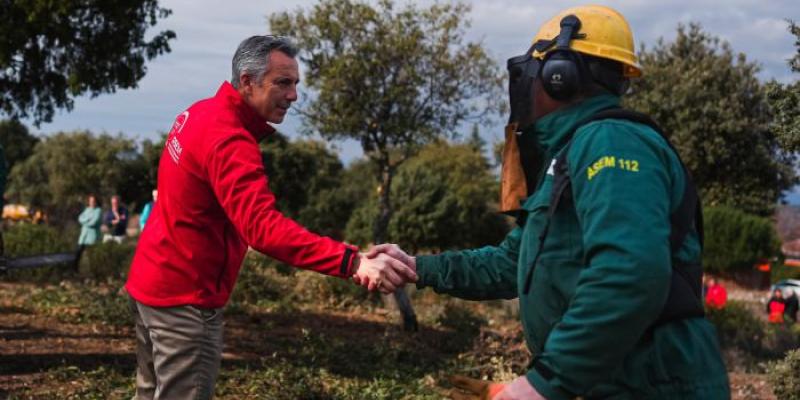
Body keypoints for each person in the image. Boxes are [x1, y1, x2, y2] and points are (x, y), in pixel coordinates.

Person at [368, 6, 729, 399]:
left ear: (560, 77)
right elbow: (509, 264)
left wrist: (542, 385)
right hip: (612, 381)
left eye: (532, 73)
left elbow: (630, 270)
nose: (526, 87)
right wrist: (419, 267)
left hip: (649, 383)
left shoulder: (611, 141)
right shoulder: (571, 156)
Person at [124, 35, 415, 400]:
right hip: (185, 301)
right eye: (282, 83)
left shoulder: (198, 113)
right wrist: (351, 261)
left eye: (295, 84)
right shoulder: (229, 139)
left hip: (151, 286)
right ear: (247, 82)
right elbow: (263, 229)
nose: (293, 95)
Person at [74, 194, 102, 271]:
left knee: (91, 256)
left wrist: (85, 222)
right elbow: (80, 218)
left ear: (96, 202)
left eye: (93, 201)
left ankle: (93, 271)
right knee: (78, 254)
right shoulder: (87, 209)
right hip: (83, 237)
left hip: (92, 238)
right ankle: (75, 270)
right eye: (90, 201)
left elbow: (93, 222)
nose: (92, 203)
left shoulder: (98, 211)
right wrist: (88, 220)